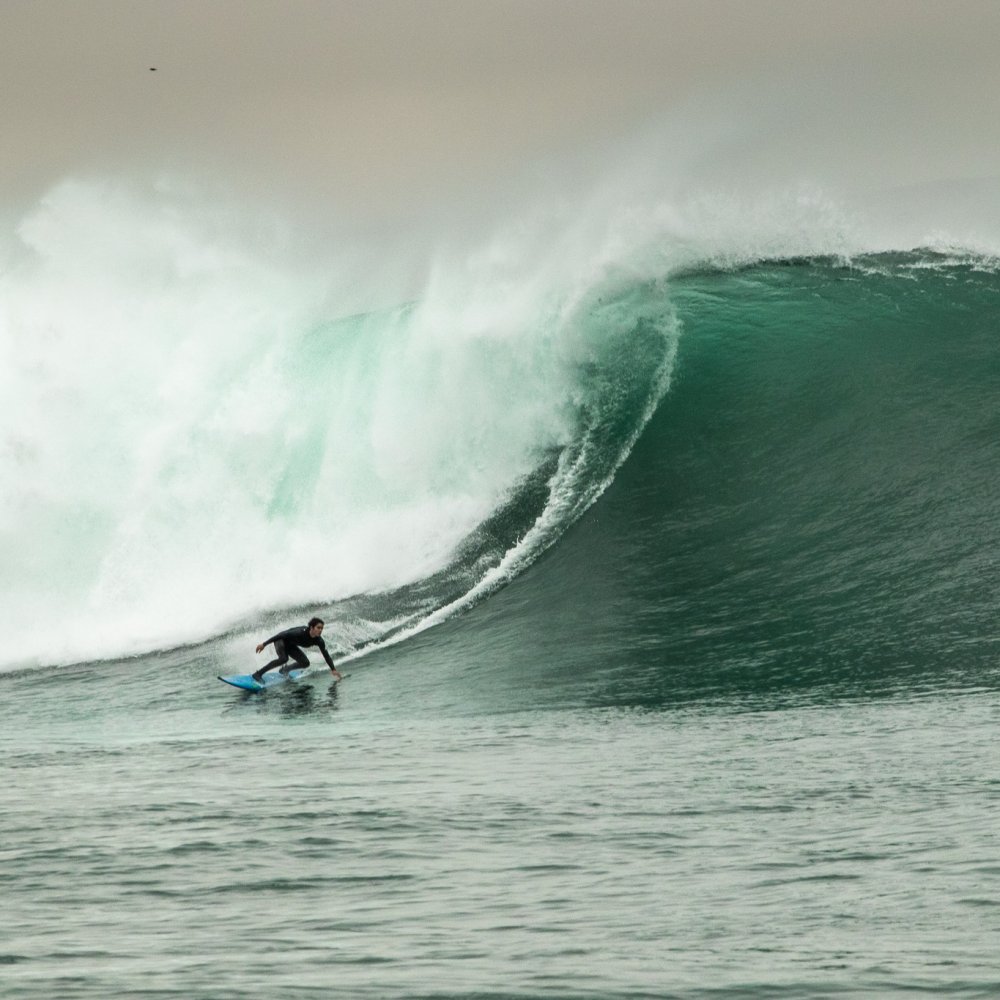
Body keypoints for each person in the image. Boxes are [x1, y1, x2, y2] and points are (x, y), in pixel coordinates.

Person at [252, 617, 343, 683]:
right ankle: (258, 674)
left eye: (322, 628)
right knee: (283, 659)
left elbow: (326, 655)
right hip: (280, 640)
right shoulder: (299, 633)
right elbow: (281, 635)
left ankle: (285, 670)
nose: (320, 630)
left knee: (305, 663)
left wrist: (333, 669)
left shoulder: (319, 640)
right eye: (318, 628)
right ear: (311, 627)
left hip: (290, 645)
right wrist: (264, 644)